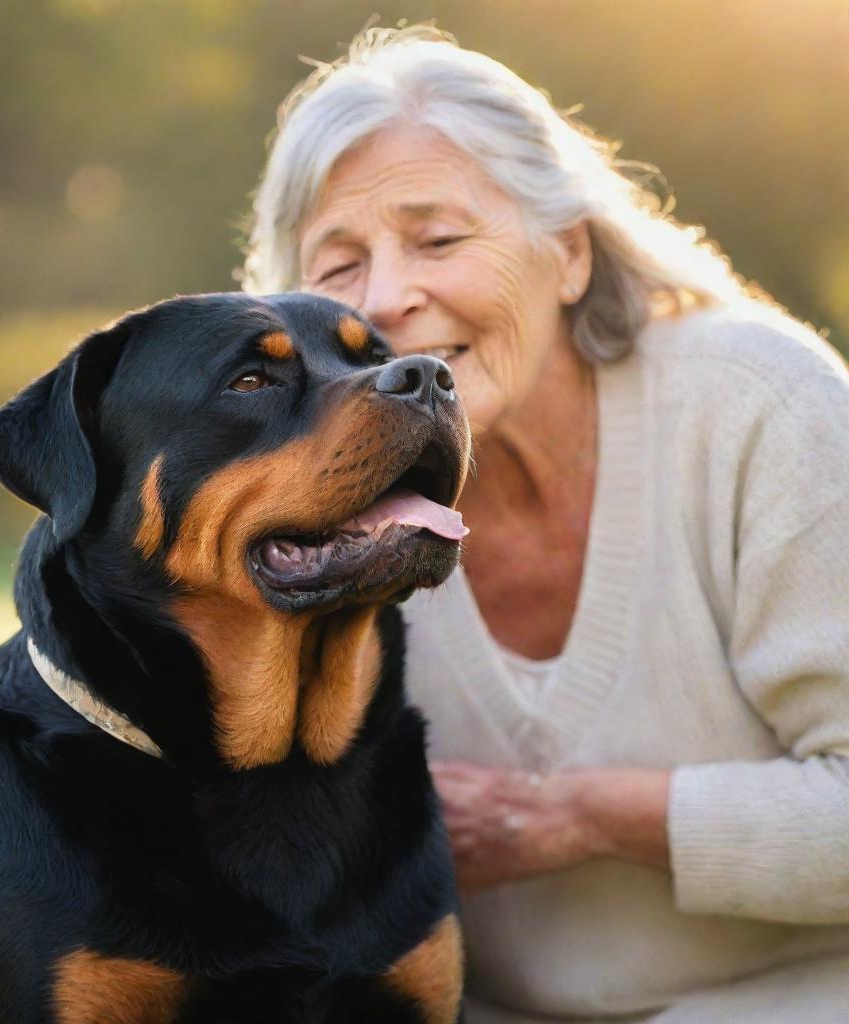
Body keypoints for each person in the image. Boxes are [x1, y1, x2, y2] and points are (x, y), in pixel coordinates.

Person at [241, 24, 849, 1024]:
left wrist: (575, 817)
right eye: (338, 266)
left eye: (438, 239)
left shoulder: (759, 403)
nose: (391, 298)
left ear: (566, 252)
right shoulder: (301, 512)